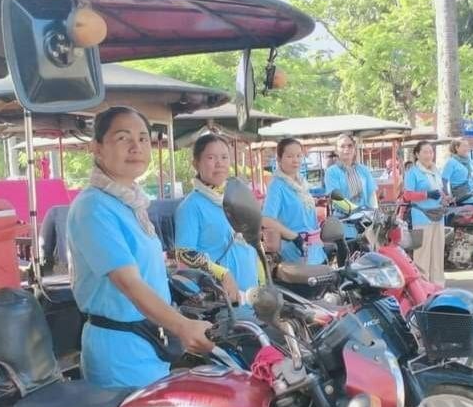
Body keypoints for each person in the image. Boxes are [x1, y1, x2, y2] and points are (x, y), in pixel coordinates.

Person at [67, 106, 212, 389]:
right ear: (97, 148)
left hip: (148, 340)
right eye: (123, 138)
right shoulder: (94, 206)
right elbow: (129, 282)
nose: (136, 147)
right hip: (120, 349)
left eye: (143, 138)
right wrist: (182, 326)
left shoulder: (131, 202)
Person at [175, 133, 261, 297]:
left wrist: (263, 279)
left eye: (224, 157)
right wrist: (222, 273)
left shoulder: (237, 198)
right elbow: (184, 254)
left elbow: (252, 242)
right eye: (211, 157)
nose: (219, 163)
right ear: (196, 163)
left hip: (251, 291)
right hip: (219, 296)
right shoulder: (190, 206)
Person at [263, 137, 326, 264]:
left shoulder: (302, 182)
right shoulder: (277, 185)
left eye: (299, 155)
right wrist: (294, 237)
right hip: (295, 252)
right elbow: (266, 220)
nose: (295, 160)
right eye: (290, 156)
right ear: (279, 159)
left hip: (316, 251)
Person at [403, 141, 447, 284]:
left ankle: (438, 286)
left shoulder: (436, 170)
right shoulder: (412, 173)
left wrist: (445, 198)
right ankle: (422, 287)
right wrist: (426, 195)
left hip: (438, 216)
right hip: (422, 217)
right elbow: (407, 196)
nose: (429, 155)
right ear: (417, 154)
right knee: (422, 255)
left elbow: (440, 191)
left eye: (431, 152)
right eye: (425, 152)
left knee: (438, 254)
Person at [323, 133, 378, 236]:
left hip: (367, 224)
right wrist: (358, 212)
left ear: (354, 148)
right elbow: (336, 198)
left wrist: (374, 215)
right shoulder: (331, 172)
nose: (346, 149)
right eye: (342, 146)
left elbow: (372, 194)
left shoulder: (363, 170)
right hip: (344, 225)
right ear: (336, 150)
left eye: (350, 145)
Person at [442, 137, 473, 205]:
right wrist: (447, 196)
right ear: (457, 148)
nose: (467, 148)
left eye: (468, 146)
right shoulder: (451, 162)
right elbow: (444, 180)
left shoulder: (469, 160)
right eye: (464, 146)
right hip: (462, 200)